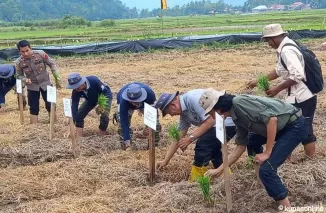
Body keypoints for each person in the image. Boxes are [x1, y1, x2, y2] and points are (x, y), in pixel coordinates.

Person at [199, 88, 308, 209]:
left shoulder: (239, 103)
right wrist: (219, 170)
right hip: (282, 128)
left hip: (294, 126)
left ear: (218, 108)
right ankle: (262, 183)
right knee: (252, 140)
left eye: (210, 113)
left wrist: (267, 152)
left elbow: (272, 120)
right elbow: (240, 147)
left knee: (267, 170)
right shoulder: (236, 116)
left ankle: (287, 208)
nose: (211, 117)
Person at [247, 24, 317, 158]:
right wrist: (259, 80)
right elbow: (279, 70)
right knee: (290, 127)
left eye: (268, 40)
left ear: (274, 38)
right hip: (296, 96)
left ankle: (310, 160)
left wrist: (276, 89)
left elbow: (297, 75)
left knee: (305, 129)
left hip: (303, 97)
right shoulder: (287, 46)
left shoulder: (287, 51)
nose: (268, 44)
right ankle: (287, 158)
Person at [155, 89, 236, 182]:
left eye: (169, 112)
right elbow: (178, 138)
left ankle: (197, 181)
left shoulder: (193, 99)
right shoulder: (184, 115)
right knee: (213, 149)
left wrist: (190, 138)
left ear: (173, 105)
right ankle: (227, 177)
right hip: (218, 124)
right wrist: (165, 161)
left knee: (203, 144)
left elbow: (210, 121)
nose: (172, 115)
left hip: (227, 122)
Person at [15, 40, 62, 124]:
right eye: (22, 52)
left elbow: (51, 63)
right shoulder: (19, 62)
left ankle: (53, 123)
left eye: (27, 50)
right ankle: (34, 126)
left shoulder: (40, 54)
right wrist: (24, 79)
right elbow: (18, 75)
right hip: (32, 86)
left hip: (46, 83)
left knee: (50, 104)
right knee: (33, 107)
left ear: (30, 48)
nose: (25, 53)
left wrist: (56, 76)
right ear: (19, 51)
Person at [113, 82, 160, 151]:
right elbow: (124, 123)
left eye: (136, 101)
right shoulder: (123, 101)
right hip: (127, 105)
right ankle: (127, 147)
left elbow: (153, 119)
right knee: (121, 127)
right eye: (132, 101)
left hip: (144, 104)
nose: (134, 103)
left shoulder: (150, 95)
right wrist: (127, 143)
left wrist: (148, 129)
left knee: (155, 125)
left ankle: (153, 146)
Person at [66, 73, 112, 137]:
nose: (76, 89)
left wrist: (102, 105)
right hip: (91, 100)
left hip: (104, 97)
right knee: (79, 115)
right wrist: (72, 120)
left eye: (77, 86)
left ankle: (102, 136)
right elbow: (74, 105)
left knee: (104, 116)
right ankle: (79, 138)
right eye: (74, 87)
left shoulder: (93, 81)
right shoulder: (76, 91)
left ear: (82, 82)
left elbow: (106, 92)